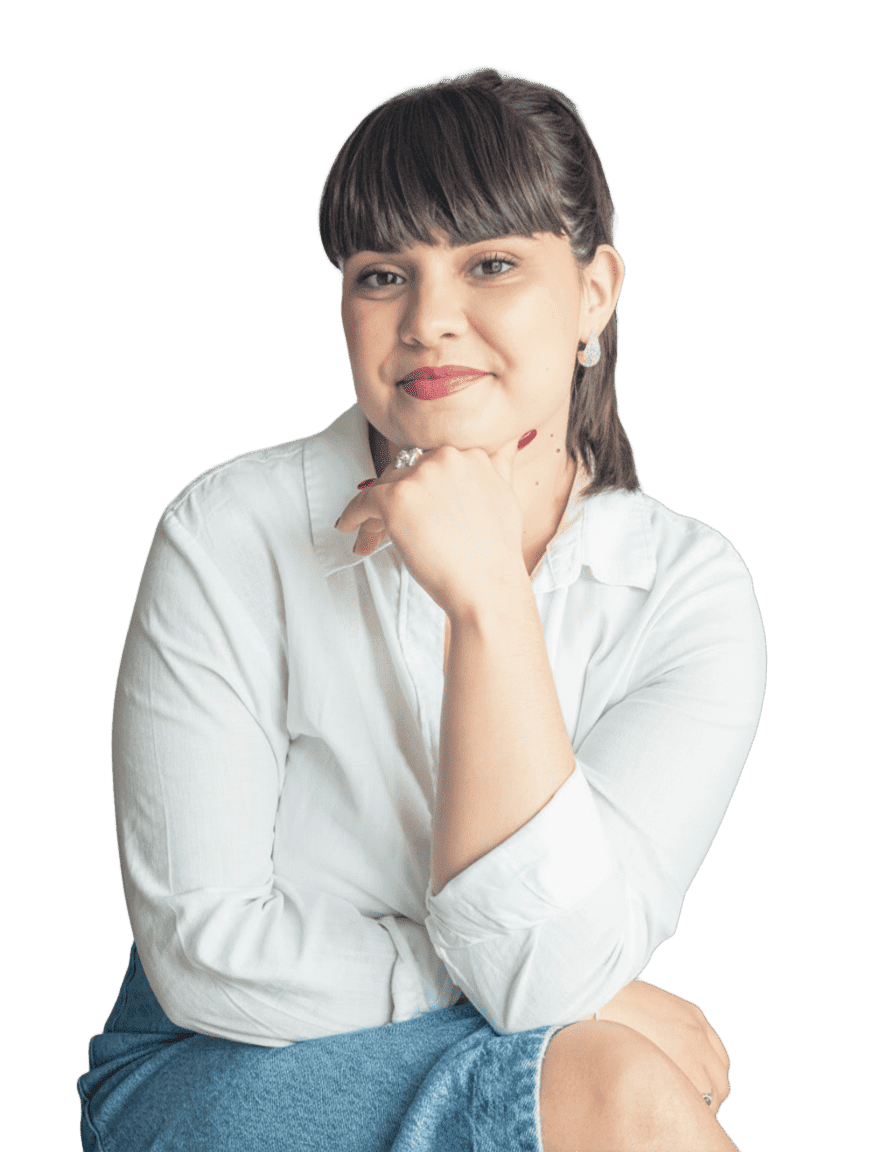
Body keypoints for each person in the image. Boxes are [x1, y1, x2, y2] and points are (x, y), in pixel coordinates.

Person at [76, 66, 765, 1151]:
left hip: (536, 1040)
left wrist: (488, 595)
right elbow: (206, 951)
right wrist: (558, 999)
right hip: (218, 1059)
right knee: (612, 1081)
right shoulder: (228, 530)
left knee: (605, 1077)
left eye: (490, 264)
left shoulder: (685, 595)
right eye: (381, 274)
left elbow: (547, 972)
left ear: (593, 294)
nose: (428, 320)